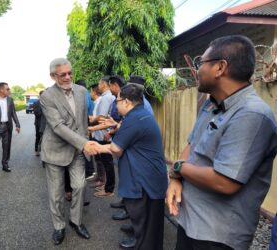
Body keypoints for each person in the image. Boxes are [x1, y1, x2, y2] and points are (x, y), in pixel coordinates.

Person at [166, 35, 277, 250]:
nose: (197, 70)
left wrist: (178, 167)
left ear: (220, 67)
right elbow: (192, 144)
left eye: (201, 63)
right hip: (190, 222)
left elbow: (224, 182)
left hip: (216, 236)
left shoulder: (252, 115)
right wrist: (175, 179)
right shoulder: (211, 105)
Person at [97, 83, 168, 250]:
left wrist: (97, 147)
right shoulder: (140, 115)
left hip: (145, 183)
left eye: (118, 100)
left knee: (146, 230)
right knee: (149, 228)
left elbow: (116, 148)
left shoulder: (135, 118)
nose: (116, 103)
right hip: (150, 179)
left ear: (127, 102)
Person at [40, 58, 100, 245]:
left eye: (69, 73)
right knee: (56, 193)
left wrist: (88, 138)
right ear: (53, 76)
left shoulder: (82, 92)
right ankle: (59, 226)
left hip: (77, 150)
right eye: (62, 74)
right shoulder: (47, 96)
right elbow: (57, 126)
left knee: (80, 186)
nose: (68, 77)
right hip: (55, 151)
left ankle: (76, 221)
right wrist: (84, 143)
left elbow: (82, 121)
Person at [92, 76, 116, 197]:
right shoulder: (106, 97)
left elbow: (102, 117)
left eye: (99, 83)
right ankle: (106, 186)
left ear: (104, 84)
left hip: (103, 134)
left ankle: (108, 189)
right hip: (103, 133)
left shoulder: (106, 98)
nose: (98, 86)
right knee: (105, 161)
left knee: (107, 162)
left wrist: (92, 123)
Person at [33, 90, 45, 156]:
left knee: (45, 137)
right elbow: (37, 113)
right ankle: (37, 150)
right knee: (38, 136)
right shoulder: (36, 103)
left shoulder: (48, 103)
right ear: (40, 96)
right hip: (38, 123)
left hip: (46, 124)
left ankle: (44, 150)